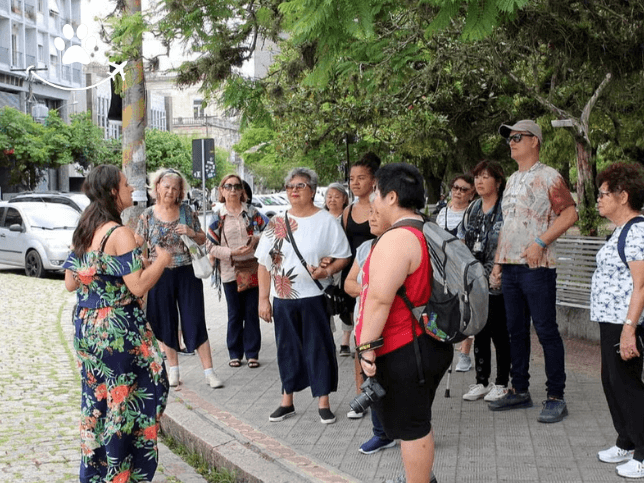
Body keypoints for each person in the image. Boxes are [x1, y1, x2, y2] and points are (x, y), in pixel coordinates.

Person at [63, 165, 171, 483]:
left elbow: (71, 283)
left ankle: (96, 474)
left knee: (98, 401)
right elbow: (138, 286)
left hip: (87, 327)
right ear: (113, 191)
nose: (131, 190)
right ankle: (121, 475)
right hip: (118, 331)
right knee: (131, 398)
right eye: (126, 185)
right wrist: (162, 261)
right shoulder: (118, 232)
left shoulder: (84, 230)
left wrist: (129, 255)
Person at [357, 163, 452, 483]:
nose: (373, 204)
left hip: (404, 348)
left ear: (392, 196)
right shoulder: (426, 229)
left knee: (413, 427)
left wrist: (366, 348)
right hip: (425, 342)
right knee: (416, 419)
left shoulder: (397, 239)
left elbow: (379, 299)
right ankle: (420, 476)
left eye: (376, 195)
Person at [489, 120, 578, 423]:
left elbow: (570, 213)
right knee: (515, 331)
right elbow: (508, 224)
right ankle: (520, 389)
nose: (511, 143)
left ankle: (556, 395)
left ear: (534, 141)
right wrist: (499, 262)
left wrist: (541, 241)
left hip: (537, 268)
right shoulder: (512, 179)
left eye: (517, 137)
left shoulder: (549, 176)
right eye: (509, 139)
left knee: (546, 330)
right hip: (512, 268)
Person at [256, 167, 351, 424]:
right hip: (283, 298)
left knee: (318, 348)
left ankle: (323, 401)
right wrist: (263, 299)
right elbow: (263, 263)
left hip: (314, 296)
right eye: (289, 187)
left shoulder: (326, 221)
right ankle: (287, 401)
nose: (293, 191)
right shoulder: (276, 221)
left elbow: (343, 255)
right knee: (287, 350)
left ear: (311, 191)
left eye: (300, 186)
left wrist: (328, 270)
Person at [135, 168, 223, 389]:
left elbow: (203, 239)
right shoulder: (147, 215)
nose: (170, 191)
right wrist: (142, 264)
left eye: (175, 188)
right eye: (166, 186)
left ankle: (209, 372)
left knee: (195, 319)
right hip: (159, 275)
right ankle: (173, 371)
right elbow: (137, 244)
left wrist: (192, 233)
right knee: (166, 321)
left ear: (180, 192)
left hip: (187, 273)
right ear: (157, 188)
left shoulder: (186, 211)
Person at [591, 163, 644, 479]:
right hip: (610, 319)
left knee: (627, 385)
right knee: (611, 382)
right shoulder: (622, 230)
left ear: (623, 196)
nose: (598, 199)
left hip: (625, 322)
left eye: (603, 193)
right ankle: (625, 440)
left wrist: (629, 329)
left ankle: (643, 451)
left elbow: (642, 285)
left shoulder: (637, 231)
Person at [344, 201, 396, 455]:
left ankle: (408, 431)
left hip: (394, 327)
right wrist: (372, 292)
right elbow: (349, 283)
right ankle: (381, 433)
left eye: (377, 214)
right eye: (370, 214)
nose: (371, 219)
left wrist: (370, 292)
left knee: (399, 380)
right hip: (365, 324)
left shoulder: (400, 244)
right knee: (372, 379)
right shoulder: (365, 247)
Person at [458, 161, 511, 402]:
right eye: (477, 176)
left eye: (485, 177)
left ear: (498, 182)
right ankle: (481, 381)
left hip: (499, 279)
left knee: (499, 333)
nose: (479, 181)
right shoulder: (473, 209)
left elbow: (510, 240)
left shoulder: (506, 208)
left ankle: (502, 383)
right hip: (475, 281)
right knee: (479, 331)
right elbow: (462, 240)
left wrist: (499, 268)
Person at [206, 174, 268, 368]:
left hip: (251, 268)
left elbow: (270, 231)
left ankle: (252, 353)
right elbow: (209, 247)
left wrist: (256, 240)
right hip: (229, 270)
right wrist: (232, 252)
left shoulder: (251, 212)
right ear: (222, 191)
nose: (232, 190)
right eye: (228, 186)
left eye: (236, 186)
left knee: (251, 311)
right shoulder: (217, 217)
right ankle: (234, 352)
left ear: (242, 191)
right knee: (234, 313)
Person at [342, 153, 382, 420]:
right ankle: (362, 393)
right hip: (354, 280)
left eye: (361, 178)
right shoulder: (347, 211)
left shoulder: (382, 206)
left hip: (381, 278)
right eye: (351, 178)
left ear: (374, 180)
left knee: (377, 340)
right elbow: (344, 249)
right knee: (359, 340)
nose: (355, 183)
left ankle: (382, 394)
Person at [436, 174, 476, 373]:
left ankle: (465, 354)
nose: (458, 192)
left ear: (471, 194)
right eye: (456, 187)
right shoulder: (442, 213)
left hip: (465, 267)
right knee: (446, 308)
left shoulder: (473, 213)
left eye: (464, 189)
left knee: (466, 309)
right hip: (444, 269)